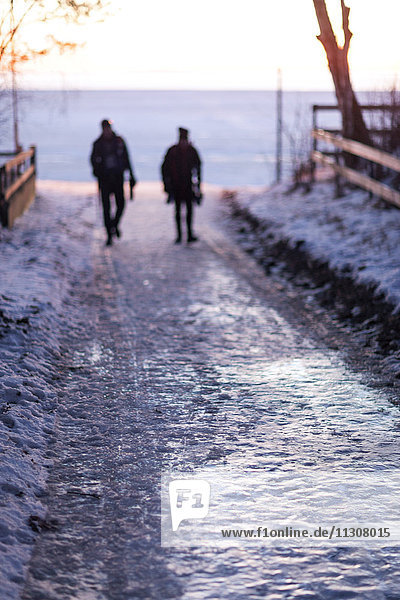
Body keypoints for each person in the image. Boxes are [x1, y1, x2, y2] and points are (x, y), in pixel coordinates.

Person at [90, 119, 136, 246]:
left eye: (108, 128)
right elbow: (93, 159)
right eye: (105, 128)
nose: (107, 131)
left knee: (121, 204)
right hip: (104, 179)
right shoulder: (98, 143)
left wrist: (131, 175)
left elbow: (127, 158)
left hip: (118, 177)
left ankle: (114, 225)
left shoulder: (119, 141)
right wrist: (97, 171)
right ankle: (109, 235)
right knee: (106, 208)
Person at [161, 127, 202, 244]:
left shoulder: (191, 151)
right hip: (176, 186)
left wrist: (198, 186)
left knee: (189, 210)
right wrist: (167, 185)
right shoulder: (173, 151)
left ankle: (188, 234)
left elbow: (198, 168)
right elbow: (164, 168)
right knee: (178, 210)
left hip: (188, 185)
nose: (183, 142)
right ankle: (179, 235)